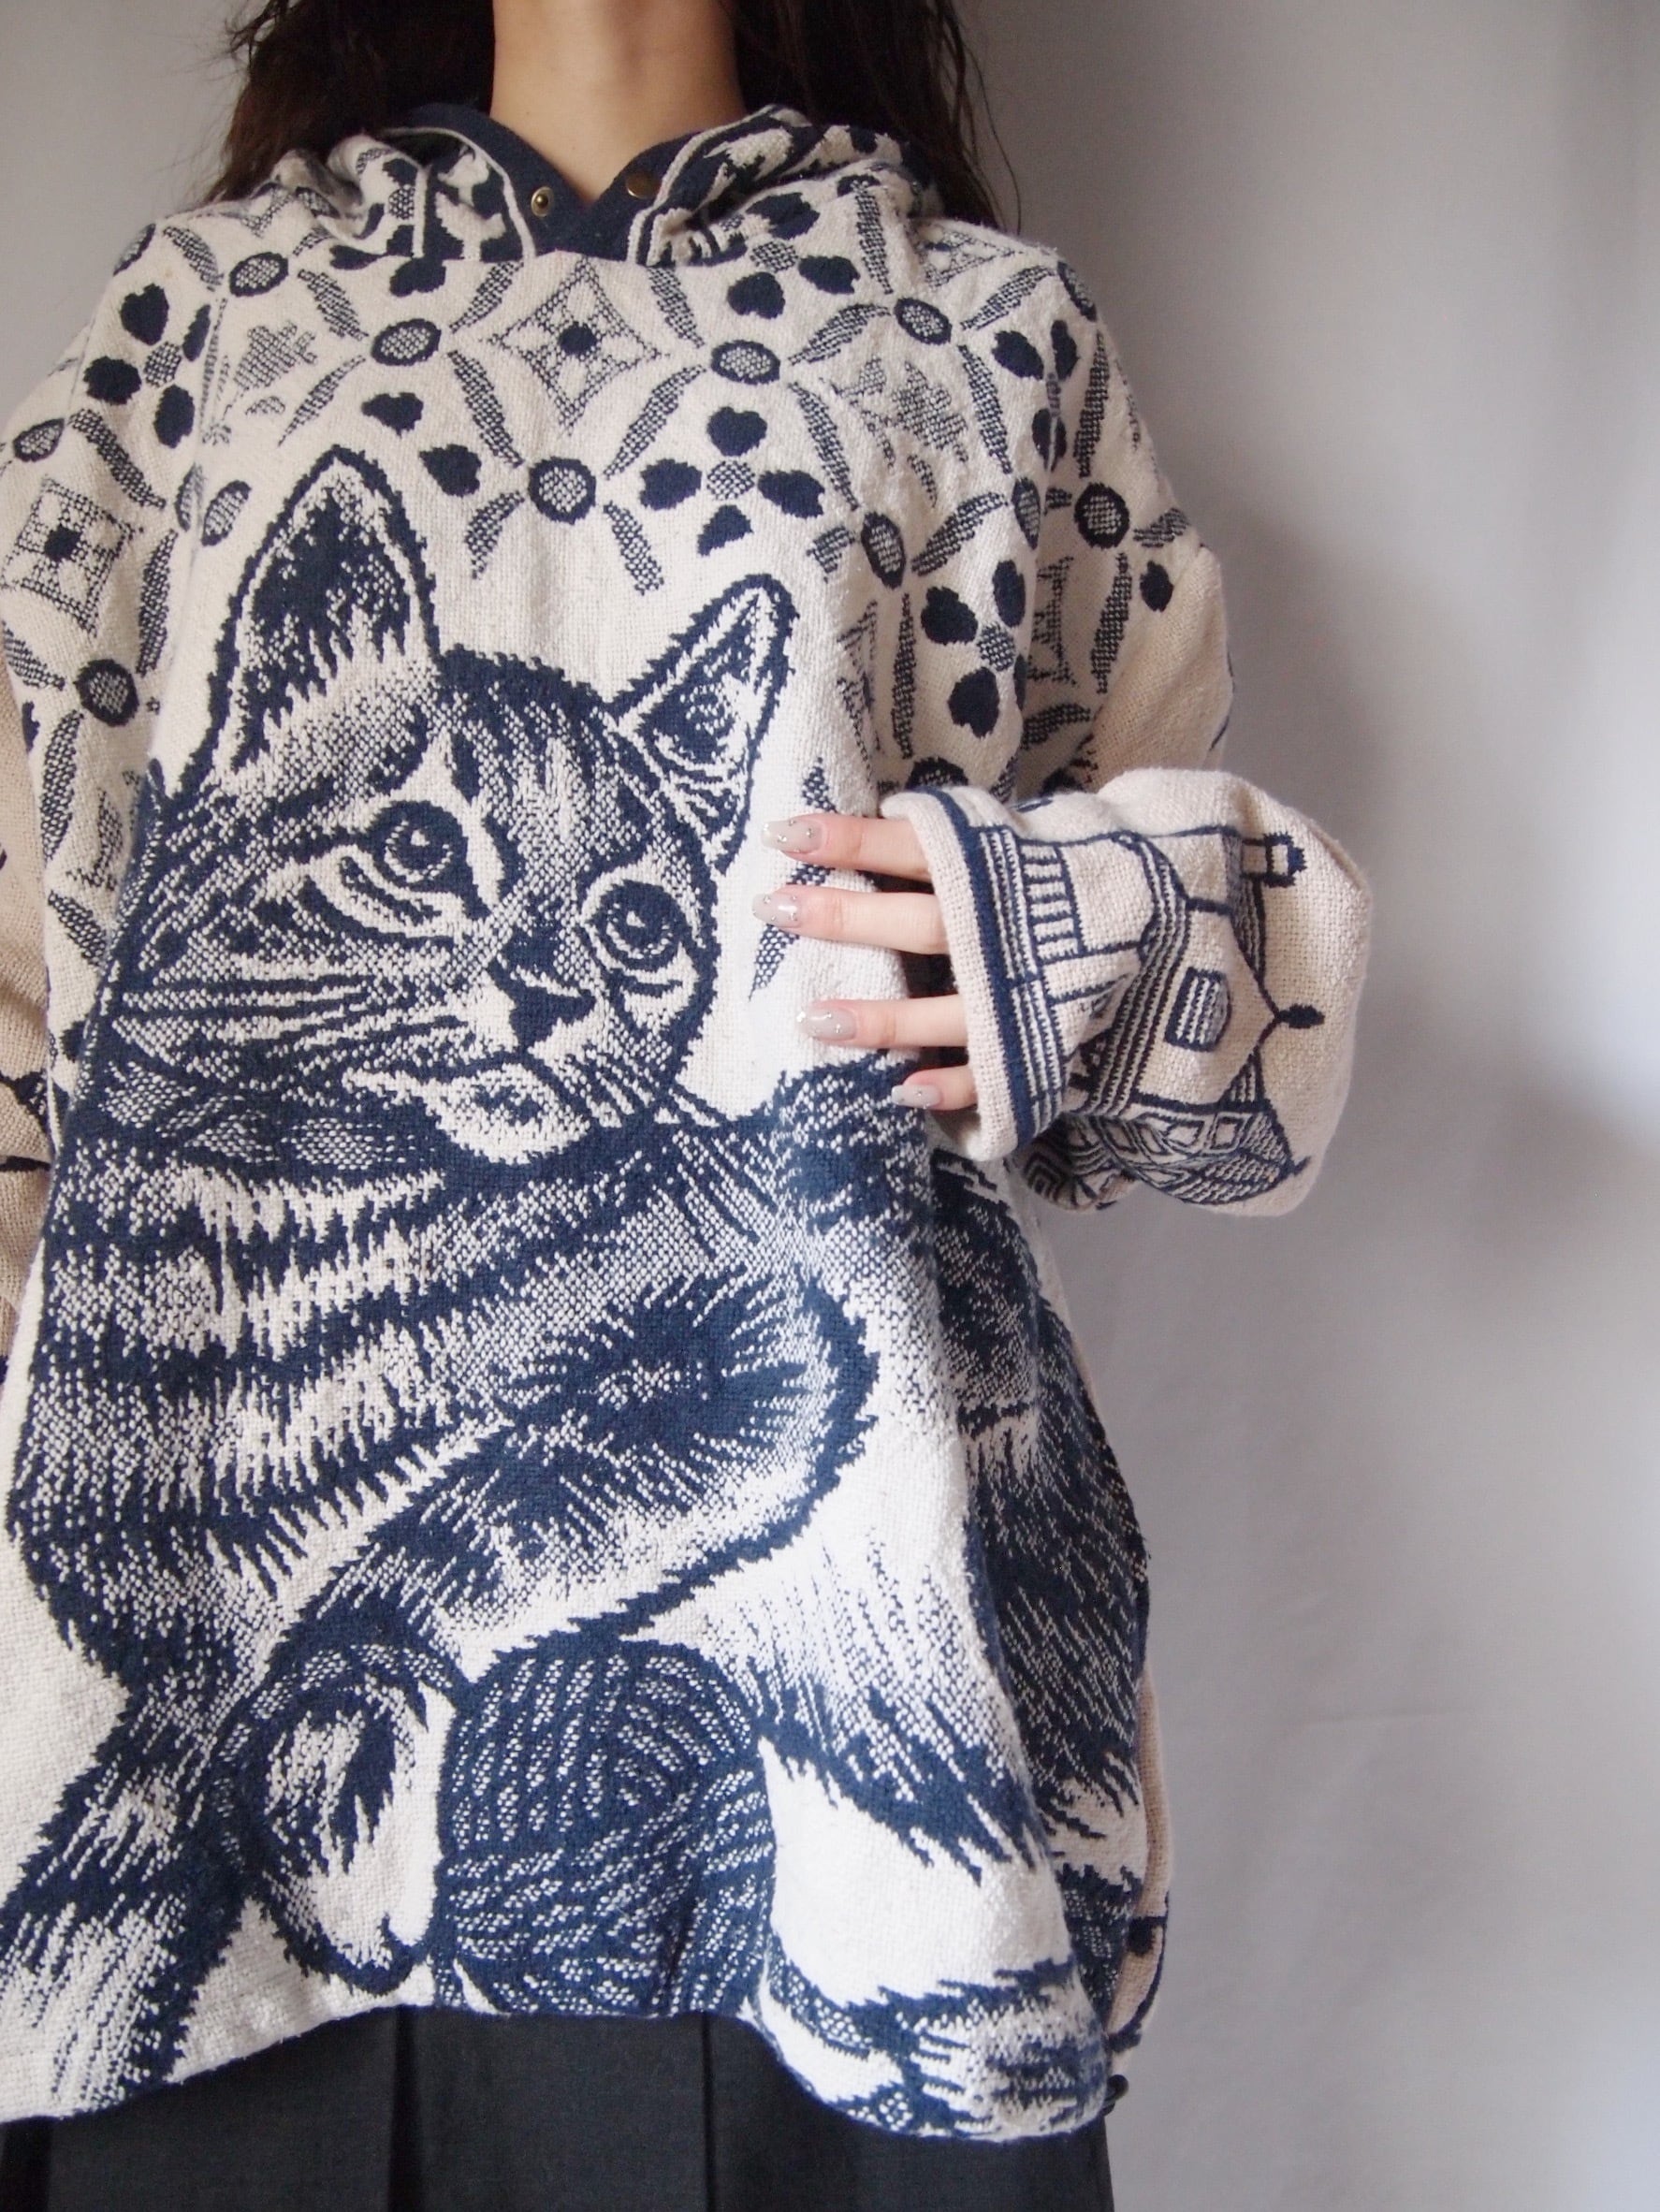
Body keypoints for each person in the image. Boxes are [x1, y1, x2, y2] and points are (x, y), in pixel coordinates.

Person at [0, 0, 1372, 2203]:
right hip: (226, 1770)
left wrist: (1044, 932)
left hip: (823, 1695)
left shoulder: (980, 328)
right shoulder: (203, 319)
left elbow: (1209, 950)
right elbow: (28, 942)